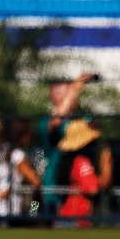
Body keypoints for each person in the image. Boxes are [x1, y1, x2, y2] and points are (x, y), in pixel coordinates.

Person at [36, 73, 95, 218]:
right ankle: (32, 216)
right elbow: (56, 121)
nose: (74, 96)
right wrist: (75, 87)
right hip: (51, 194)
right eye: (68, 94)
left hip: (74, 196)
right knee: (35, 218)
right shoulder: (46, 124)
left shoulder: (80, 121)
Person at [0, 118, 41, 223]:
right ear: (20, 135)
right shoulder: (18, 155)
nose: (30, 137)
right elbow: (36, 183)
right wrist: (34, 212)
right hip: (13, 213)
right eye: (28, 134)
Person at [56, 119, 106, 228]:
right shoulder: (82, 162)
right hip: (76, 220)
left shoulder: (67, 161)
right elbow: (92, 188)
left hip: (63, 214)